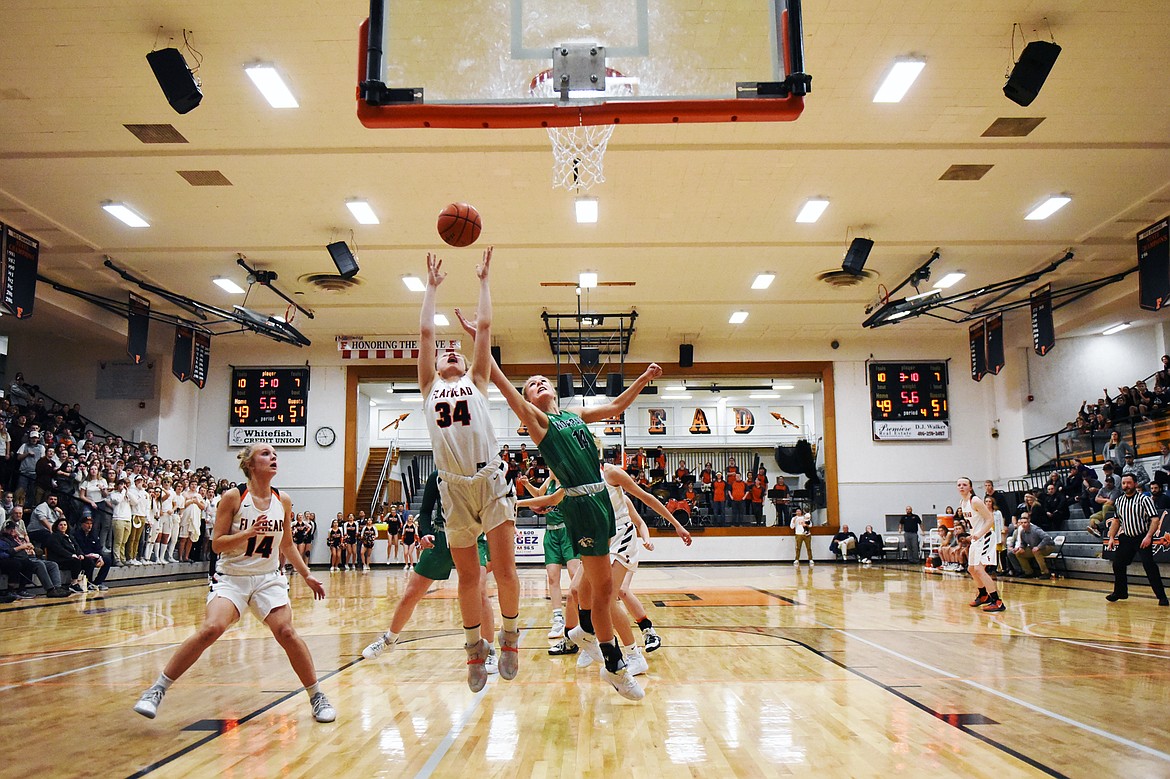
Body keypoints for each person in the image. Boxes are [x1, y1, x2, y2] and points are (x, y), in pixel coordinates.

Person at [462, 304, 662, 699]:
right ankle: (614, 663)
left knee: (595, 591)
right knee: (602, 590)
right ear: (529, 403)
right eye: (531, 385)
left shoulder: (576, 414)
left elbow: (618, 406)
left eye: (541, 380)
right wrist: (480, 340)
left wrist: (642, 378)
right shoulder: (540, 423)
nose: (538, 383)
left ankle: (585, 633)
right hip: (581, 506)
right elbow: (501, 382)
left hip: (602, 502)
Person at [133, 442, 336, 722]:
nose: (273, 457)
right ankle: (157, 689)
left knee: (287, 632)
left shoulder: (283, 500)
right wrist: (248, 533)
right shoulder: (233, 497)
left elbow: (287, 544)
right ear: (251, 464)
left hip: (268, 579)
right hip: (233, 577)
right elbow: (216, 544)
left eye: (275, 454)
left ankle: (317, 696)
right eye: (266, 454)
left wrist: (307, 575)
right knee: (211, 629)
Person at [419, 248, 521, 692]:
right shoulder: (428, 389)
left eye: (455, 353)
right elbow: (425, 332)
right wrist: (431, 288)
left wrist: (483, 281)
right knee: (468, 577)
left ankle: (511, 636)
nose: (451, 354)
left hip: (490, 482)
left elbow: (483, 327)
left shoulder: (477, 383)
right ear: (437, 367)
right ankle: (473, 649)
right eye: (445, 354)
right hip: (454, 490)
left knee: (503, 570)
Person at [363, 471, 500, 675]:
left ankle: (489, 650)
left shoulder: (479, 473)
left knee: (480, 594)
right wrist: (424, 532)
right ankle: (389, 640)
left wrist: (490, 549)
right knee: (411, 593)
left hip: (473, 538)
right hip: (441, 538)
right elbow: (426, 510)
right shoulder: (437, 476)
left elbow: (491, 511)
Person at [1107, 474, 1168, 605]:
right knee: (1118, 564)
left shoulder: (1144, 499)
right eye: (1124, 483)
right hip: (1127, 537)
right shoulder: (1119, 501)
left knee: (1149, 566)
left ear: (1135, 484)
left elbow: (1155, 519)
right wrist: (1111, 537)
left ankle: (1162, 597)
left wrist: (1149, 536)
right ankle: (1120, 592)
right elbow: (1116, 521)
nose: (1126, 486)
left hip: (1142, 536)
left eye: (1129, 483)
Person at [957, 477, 1004, 612]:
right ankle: (983, 595)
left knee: (978, 569)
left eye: (964, 484)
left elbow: (990, 519)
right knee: (971, 569)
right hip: (976, 539)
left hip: (985, 537)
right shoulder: (962, 502)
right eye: (959, 485)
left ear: (970, 487)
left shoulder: (975, 501)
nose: (961, 487)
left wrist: (979, 534)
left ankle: (997, 601)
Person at [0, 520, 69, 597]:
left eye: (14, 529)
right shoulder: (4, 539)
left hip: (30, 556)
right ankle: (50, 590)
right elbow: (8, 553)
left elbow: (35, 550)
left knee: (53, 564)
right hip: (20, 559)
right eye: (10, 529)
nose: (12, 531)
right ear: (5, 530)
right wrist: (23, 548)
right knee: (39, 564)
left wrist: (32, 549)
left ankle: (58, 588)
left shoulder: (19, 538)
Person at [44, 517, 96, 592]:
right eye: (61, 525)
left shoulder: (70, 536)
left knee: (89, 561)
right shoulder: (54, 537)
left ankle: (85, 581)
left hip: (71, 557)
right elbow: (59, 550)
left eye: (65, 525)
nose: (63, 526)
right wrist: (71, 555)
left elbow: (77, 547)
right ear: (57, 526)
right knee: (75, 561)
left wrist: (80, 554)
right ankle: (73, 583)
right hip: (60, 559)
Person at [1008, 514, 1056, 578]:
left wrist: (1039, 547)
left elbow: (1047, 538)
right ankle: (1028, 572)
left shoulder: (1036, 530)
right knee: (1019, 553)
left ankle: (1045, 572)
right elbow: (1023, 543)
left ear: (1029, 522)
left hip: (1048, 546)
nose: (1023, 524)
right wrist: (1021, 548)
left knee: (1036, 551)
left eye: (1025, 522)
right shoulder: (1022, 532)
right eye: (1021, 523)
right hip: (1034, 547)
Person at [73, 515, 112, 590]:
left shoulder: (94, 535)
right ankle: (88, 582)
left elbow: (98, 548)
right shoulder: (76, 535)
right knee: (89, 562)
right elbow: (77, 548)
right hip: (82, 557)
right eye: (87, 523)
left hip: (93, 556)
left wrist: (100, 557)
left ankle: (98, 582)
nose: (89, 526)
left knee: (107, 560)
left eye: (91, 524)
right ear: (82, 524)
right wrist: (85, 555)